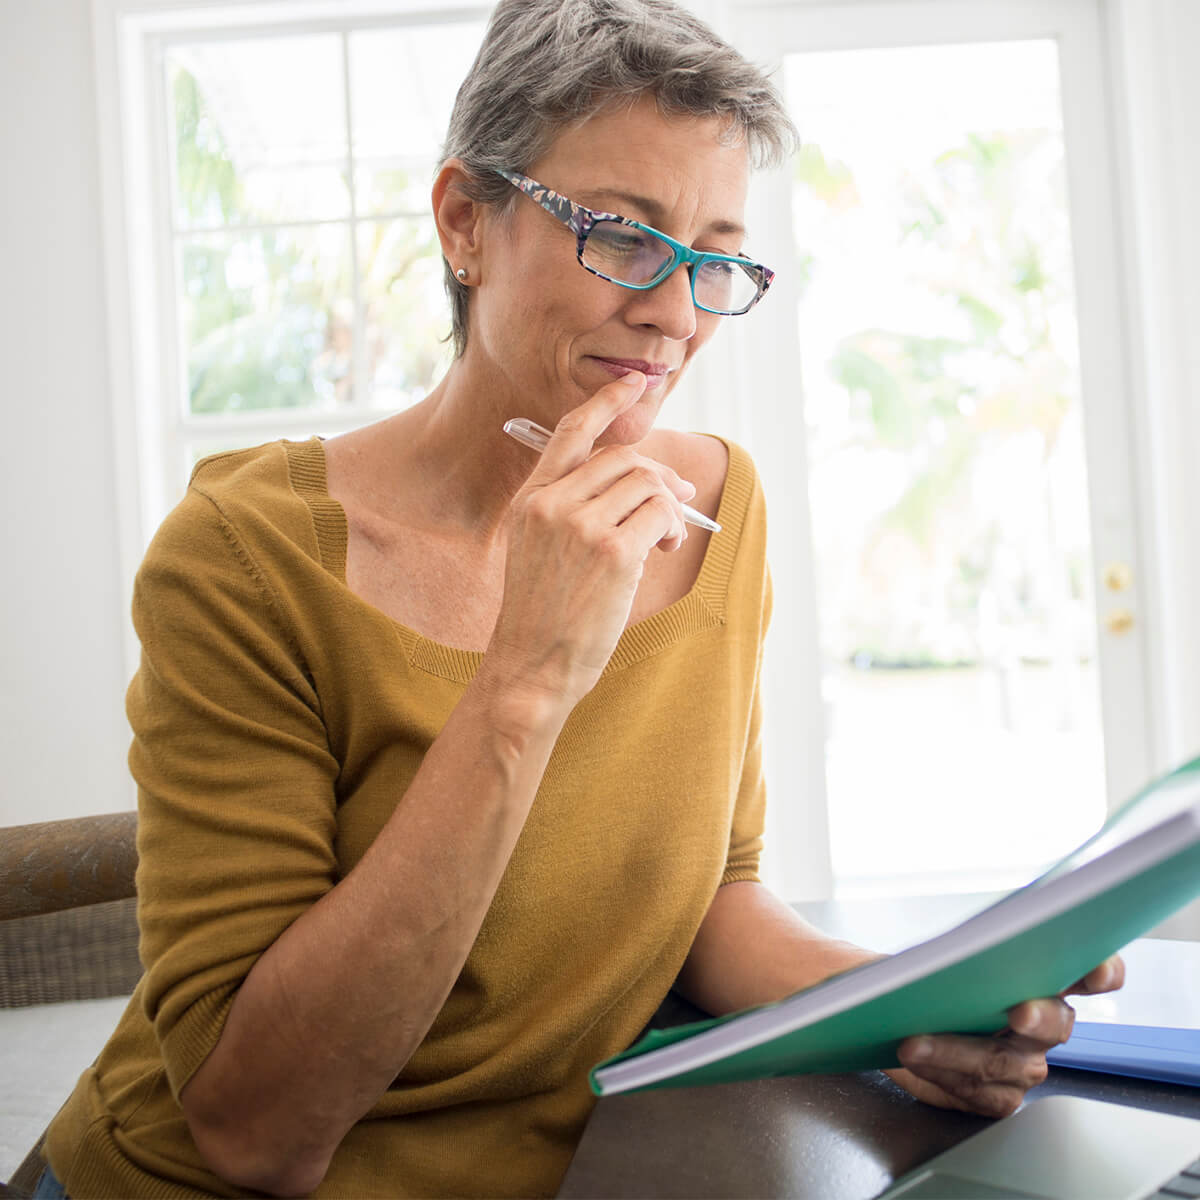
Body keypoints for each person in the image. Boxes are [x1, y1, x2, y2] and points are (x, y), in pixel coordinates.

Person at [39, 1, 1123, 1196]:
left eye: (717, 257)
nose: (675, 313)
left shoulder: (720, 512)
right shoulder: (245, 559)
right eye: (624, 239)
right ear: (465, 221)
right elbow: (258, 1133)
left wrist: (914, 1014)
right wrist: (525, 677)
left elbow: (711, 899)